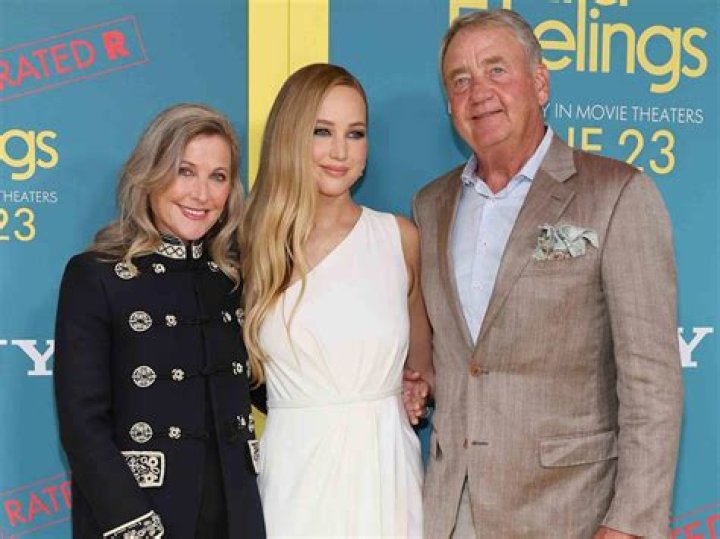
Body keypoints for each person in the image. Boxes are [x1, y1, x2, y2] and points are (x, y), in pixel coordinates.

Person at [413, 9, 683, 539]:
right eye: (460, 80)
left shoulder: (617, 194)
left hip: (570, 514)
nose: (479, 92)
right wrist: (414, 383)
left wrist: (630, 524)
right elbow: (462, 361)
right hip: (451, 513)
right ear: (449, 104)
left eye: (496, 69)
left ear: (540, 83)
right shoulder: (431, 206)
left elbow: (652, 383)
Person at [54, 103, 265, 538]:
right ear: (151, 173)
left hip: (233, 515)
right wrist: (135, 525)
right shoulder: (96, 275)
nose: (201, 194)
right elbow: (82, 424)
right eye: (185, 171)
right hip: (138, 515)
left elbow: (270, 389)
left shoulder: (234, 278)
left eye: (218, 176)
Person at [242, 63, 434, 537]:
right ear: (290, 136)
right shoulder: (249, 246)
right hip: (294, 479)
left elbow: (424, 371)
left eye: (355, 133)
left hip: (386, 477)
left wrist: (416, 390)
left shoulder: (399, 239)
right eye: (322, 131)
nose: (340, 151)